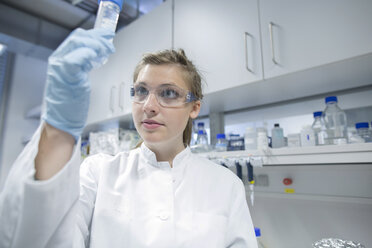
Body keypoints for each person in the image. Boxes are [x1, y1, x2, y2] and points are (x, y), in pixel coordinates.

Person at [0, 28, 257, 248]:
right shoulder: (98, 173)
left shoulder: (226, 185)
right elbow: (45, 238)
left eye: (168, 93)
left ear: (194, 107)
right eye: (141, 91)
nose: (149, 105)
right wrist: (58, 131)